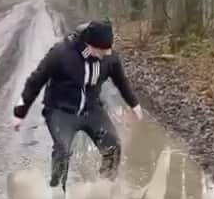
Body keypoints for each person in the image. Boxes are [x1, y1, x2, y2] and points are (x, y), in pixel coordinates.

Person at [13, 19, 142, 190]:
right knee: (63, 151)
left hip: (92, 110)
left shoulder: (109, 58)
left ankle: (103, 191)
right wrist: (20, 112)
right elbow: (36, 80)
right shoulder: (61, 53)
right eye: (102, 50)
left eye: (108, 49)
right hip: (60, 111)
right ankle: (57, 193)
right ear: (89, 45)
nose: (106, 54)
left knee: (113, 146)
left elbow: (121, 81)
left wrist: (134, 104)